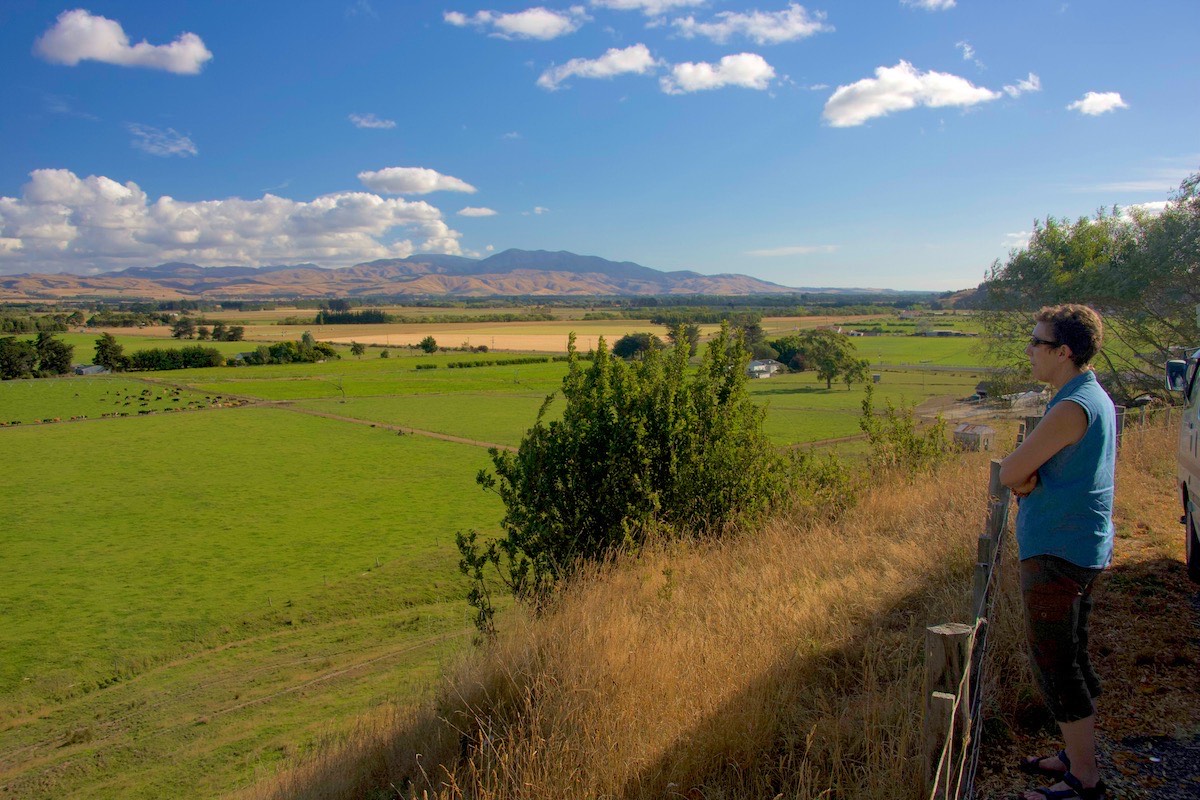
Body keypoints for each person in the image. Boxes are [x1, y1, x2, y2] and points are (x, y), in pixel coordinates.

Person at [999, 304, 1115, 800]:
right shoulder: (1089, 395)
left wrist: (1023, 481)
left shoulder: (1071, 407)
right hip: (1081, 543)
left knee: (1056, 663)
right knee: (1070, 652)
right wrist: (1028, 478)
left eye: (1037, 343)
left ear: (1063, 352)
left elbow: (1009, 473)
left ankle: (1083, 777)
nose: (1029, 351)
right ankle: (1077, 753)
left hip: (1057, 549)